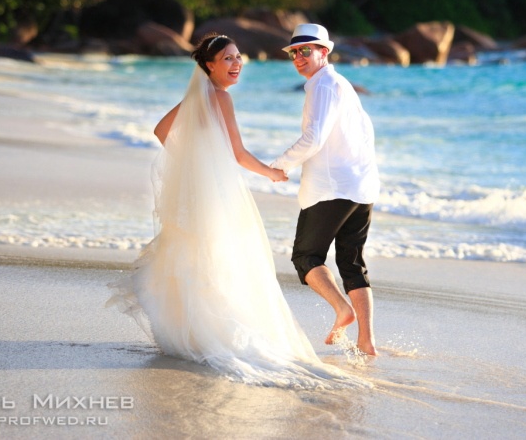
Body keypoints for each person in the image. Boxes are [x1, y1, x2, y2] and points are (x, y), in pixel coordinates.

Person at [107, 33, 366, 388]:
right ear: (209, 65)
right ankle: (216, 332)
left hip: (197, 188)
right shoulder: (221, 98)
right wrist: (273, 172)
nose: (236, 64)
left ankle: (191, 330)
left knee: (194, 254)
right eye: (227, 58)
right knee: (225, 256)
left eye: (238, 57)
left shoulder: (196, 98)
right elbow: (239, 154)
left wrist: (191, 162)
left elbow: (161, 131)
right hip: (217, 190)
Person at [271, 24, 381, 356]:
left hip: (332, 189)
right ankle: (366, 342)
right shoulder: (342, 85)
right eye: (294, 52)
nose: (298, 57)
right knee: (352, 263)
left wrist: (281, 164)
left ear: (324, 52)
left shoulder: (322, 85)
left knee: (306, 257)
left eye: (306, 50)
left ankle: (342, 309)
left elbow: (314, 138)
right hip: (362, 188)